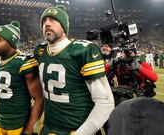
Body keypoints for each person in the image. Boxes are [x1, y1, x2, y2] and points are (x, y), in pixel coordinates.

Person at [34, 5, 114, 135]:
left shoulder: (83, 50)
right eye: (44, 20)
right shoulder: (40, 51)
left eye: (53, 20)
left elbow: (105, 103)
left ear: (64, 26)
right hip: (48, 128)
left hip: (76, 129)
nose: (47, 23)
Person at [0, 21, 43, 135]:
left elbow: (39, 98)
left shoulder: (24, 62)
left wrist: (29, 129)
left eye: (0, 39)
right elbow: (1, 92)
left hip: (18, 123)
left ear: (11, 41)